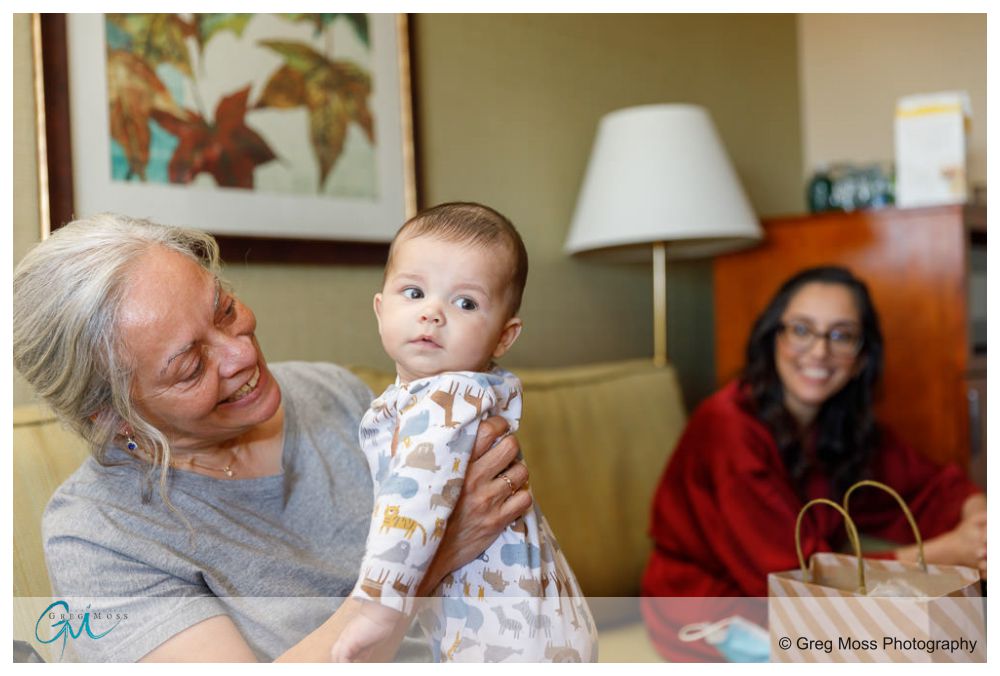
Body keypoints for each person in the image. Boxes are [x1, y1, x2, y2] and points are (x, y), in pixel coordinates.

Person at [13, 213, 536, 662]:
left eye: (224, 309)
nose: (241, 354)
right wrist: (428, 562)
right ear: (112, 416)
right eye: (192, 366)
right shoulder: (100, 535)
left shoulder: (332, 393)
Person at [640, 266, 986, 661]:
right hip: (720, 606)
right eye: (802, 330)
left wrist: (980, 521)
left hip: (804, 599)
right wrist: (944, 554)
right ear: (774, 339)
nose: (820, 351)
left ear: (860, 358)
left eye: (841, 335)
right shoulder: (727, 427)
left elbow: (933, 486)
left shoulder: (837, 424)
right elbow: (793, 575)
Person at [331, 203, 597, 663]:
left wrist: (375, 611)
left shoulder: (446, 400)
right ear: (380, 309)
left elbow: (410, 508)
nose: (433, 313)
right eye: (413, 292)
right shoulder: (446, 397)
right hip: (536, 624)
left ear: (503, 337)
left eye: (465, 302)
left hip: (506, 641)